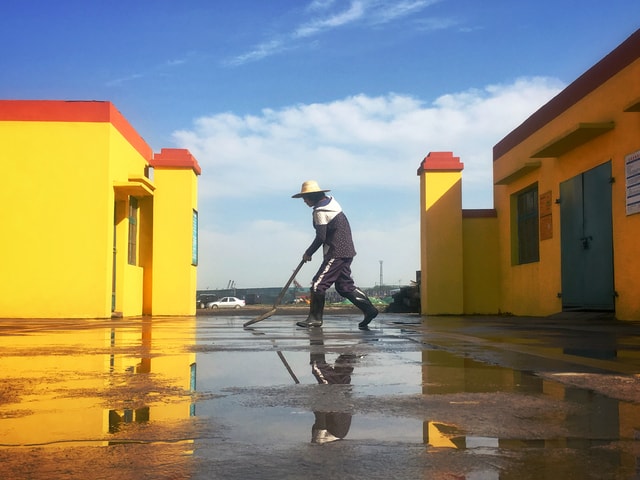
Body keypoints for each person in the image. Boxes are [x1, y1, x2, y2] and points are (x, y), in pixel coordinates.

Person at [292, 180, 378, 330]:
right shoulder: (332, 205)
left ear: (313, 196)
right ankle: (369, 310)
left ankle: (315, 319)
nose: (304, 201)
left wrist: (308, 253)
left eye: (305, 197)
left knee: (318, 285)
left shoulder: (320, 211)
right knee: (344, 286)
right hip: (346, 251)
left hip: (336, 252)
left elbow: (321, 237)